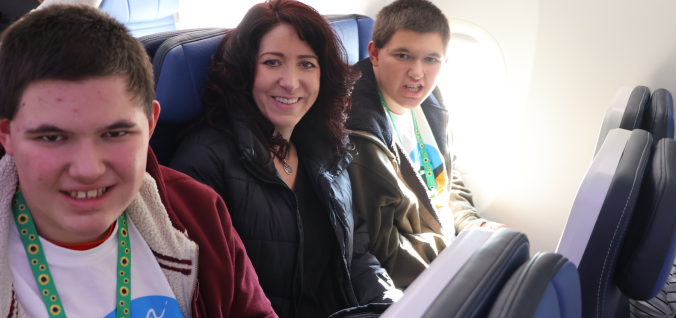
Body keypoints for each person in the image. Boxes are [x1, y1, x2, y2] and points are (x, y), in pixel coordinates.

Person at [0, 5, 275, 318]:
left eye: (115, 134)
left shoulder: (200, 215)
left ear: (149, 126)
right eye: (52, 137)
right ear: (5, 132)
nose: (87, 169)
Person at [168, 0, 400, 317]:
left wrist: (394, 305)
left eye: (306, 64)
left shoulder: (325, 148)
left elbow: (356, 254)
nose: (290, 82)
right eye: (272, 62)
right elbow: (213, 299)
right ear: (246, 71)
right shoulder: (203, 162)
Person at [345, 0, 506, 289]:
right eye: (403, 55)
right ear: (375, 54)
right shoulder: (360, 131)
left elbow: (444, 179)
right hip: (414, 278)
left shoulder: (431, 103)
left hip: (446, 251)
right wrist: (460, 259)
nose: (417, 73)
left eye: (431, 59)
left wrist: (474, 225)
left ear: (445, 63)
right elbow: (385, 251)